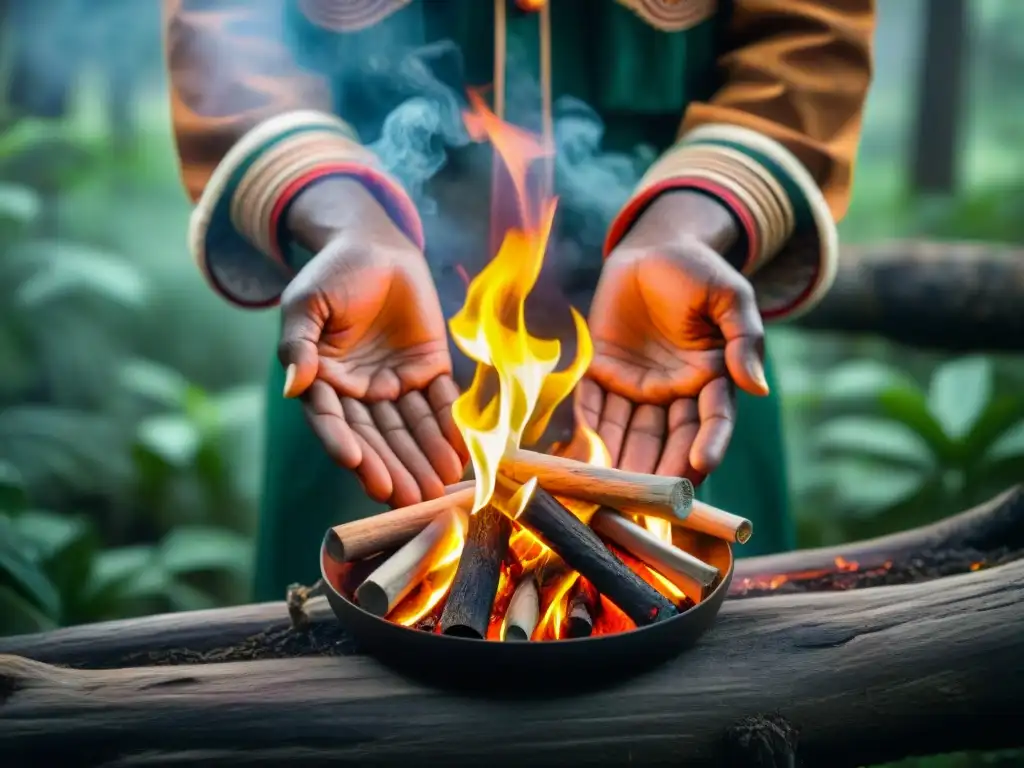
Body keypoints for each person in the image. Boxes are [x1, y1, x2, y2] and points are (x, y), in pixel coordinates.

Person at [164, 0, 875, 601]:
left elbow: (809, 34)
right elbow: (229, 25)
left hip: (671, 349)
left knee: (709, 695)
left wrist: (693, 218)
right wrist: (341, 215)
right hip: (371, 358)